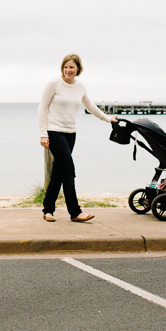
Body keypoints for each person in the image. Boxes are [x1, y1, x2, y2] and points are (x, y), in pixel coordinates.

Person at [38, 53, 117, 222]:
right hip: (54, 131)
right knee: (69, 170)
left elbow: (90, 106)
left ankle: (48, 210)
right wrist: (43, 133)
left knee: (58, 173)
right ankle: (75, 212)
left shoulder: (80, 86)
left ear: (78, 69)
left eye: (71, 67)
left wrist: (108, 118)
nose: (68, 70)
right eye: (65, 67)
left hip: (70, 133)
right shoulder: (54, 84)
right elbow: (42, 109)